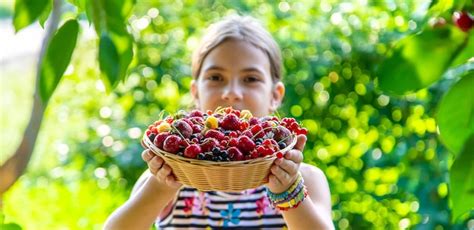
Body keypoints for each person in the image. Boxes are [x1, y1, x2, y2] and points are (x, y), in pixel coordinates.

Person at [104, 15, 333, 229]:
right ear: (195, 92)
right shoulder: (168, 175)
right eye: (216, 77)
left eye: (250, 79)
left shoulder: (304, 180)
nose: (231, 93)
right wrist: (164, 185)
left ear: (275, 95)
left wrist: (287, 191)